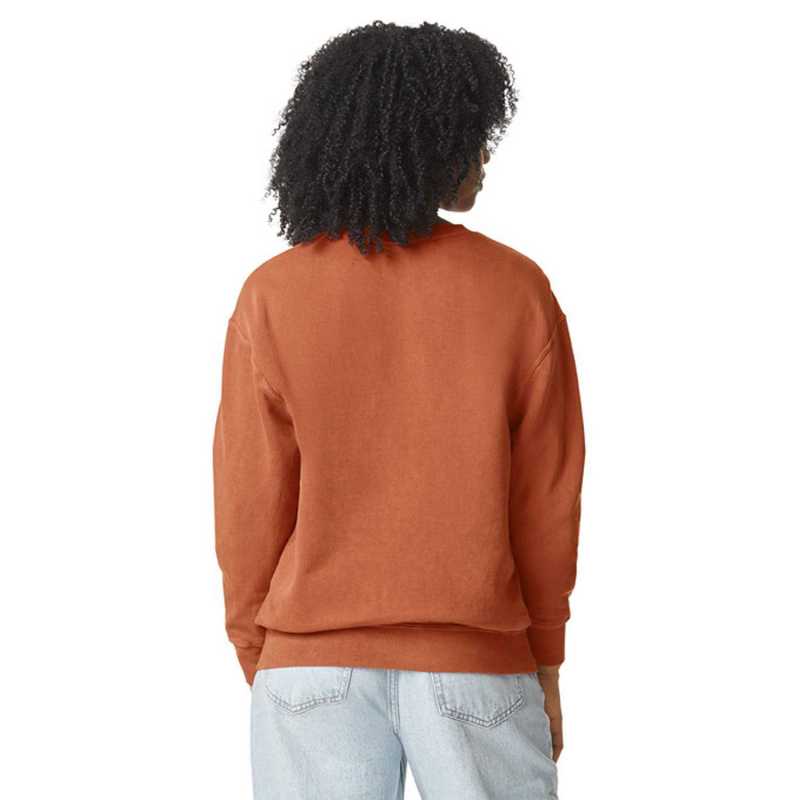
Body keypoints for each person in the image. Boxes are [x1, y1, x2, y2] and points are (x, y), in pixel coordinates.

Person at [213, 20, 585, 800]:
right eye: (473, 137)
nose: (484, 157)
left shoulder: (273, 294)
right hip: (476, 663)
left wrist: (264, 649)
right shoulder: (516, 290)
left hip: (309, 663)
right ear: (429, 142)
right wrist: (545, 661)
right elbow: (547, 503)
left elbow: (248, 502)